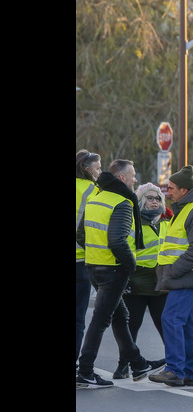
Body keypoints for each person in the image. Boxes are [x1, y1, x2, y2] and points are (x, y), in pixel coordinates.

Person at [76, 159, 165, 388]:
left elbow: (80, 235)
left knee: (120, 316)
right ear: (122, 178)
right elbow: (117, 240)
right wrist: (130, 264)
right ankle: (85, 371)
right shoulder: (123, 202)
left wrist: (97, 254)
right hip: (114, 270)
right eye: (133, 175)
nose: (136, 179)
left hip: (94, 267)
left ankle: (137, 364)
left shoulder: (96, 198)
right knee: (101, 320)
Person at [150, 166, 193, 388]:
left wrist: (173, 271)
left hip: (185, 275)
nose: (169, 192)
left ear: (185, 190)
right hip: (184, 275)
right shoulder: (187, 208)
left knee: (171, 318)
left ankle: (174, 370)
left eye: (172, 188)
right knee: (186, 324)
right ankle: (192, 373)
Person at [112, 183, 171, 379]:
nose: (154, 201)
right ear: (141, 200)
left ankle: (174, 365)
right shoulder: (132, 221)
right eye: (149, 198)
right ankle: (123, 366)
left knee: (166, 326)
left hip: (160, 283)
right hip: (136, 281)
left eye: (157, 198)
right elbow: (125, 250)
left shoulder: (167, 222)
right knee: (131, 328)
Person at [76, 149, 102, 371]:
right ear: (87, 169)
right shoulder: (93, 190)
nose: (100, 171)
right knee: (78, 318)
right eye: (98, 168)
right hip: (81, 259)